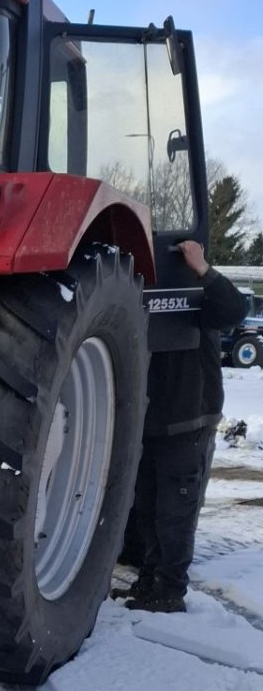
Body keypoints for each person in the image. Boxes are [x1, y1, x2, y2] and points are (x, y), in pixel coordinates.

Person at [119, 239, 250, 612]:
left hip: (189, 421)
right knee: (147, 510)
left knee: (175, 514)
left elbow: (235, 309)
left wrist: (203, 269)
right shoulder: (138, 294)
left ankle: (170, 590)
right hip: (149, 422)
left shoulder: (199, 296)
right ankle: (149, 580)